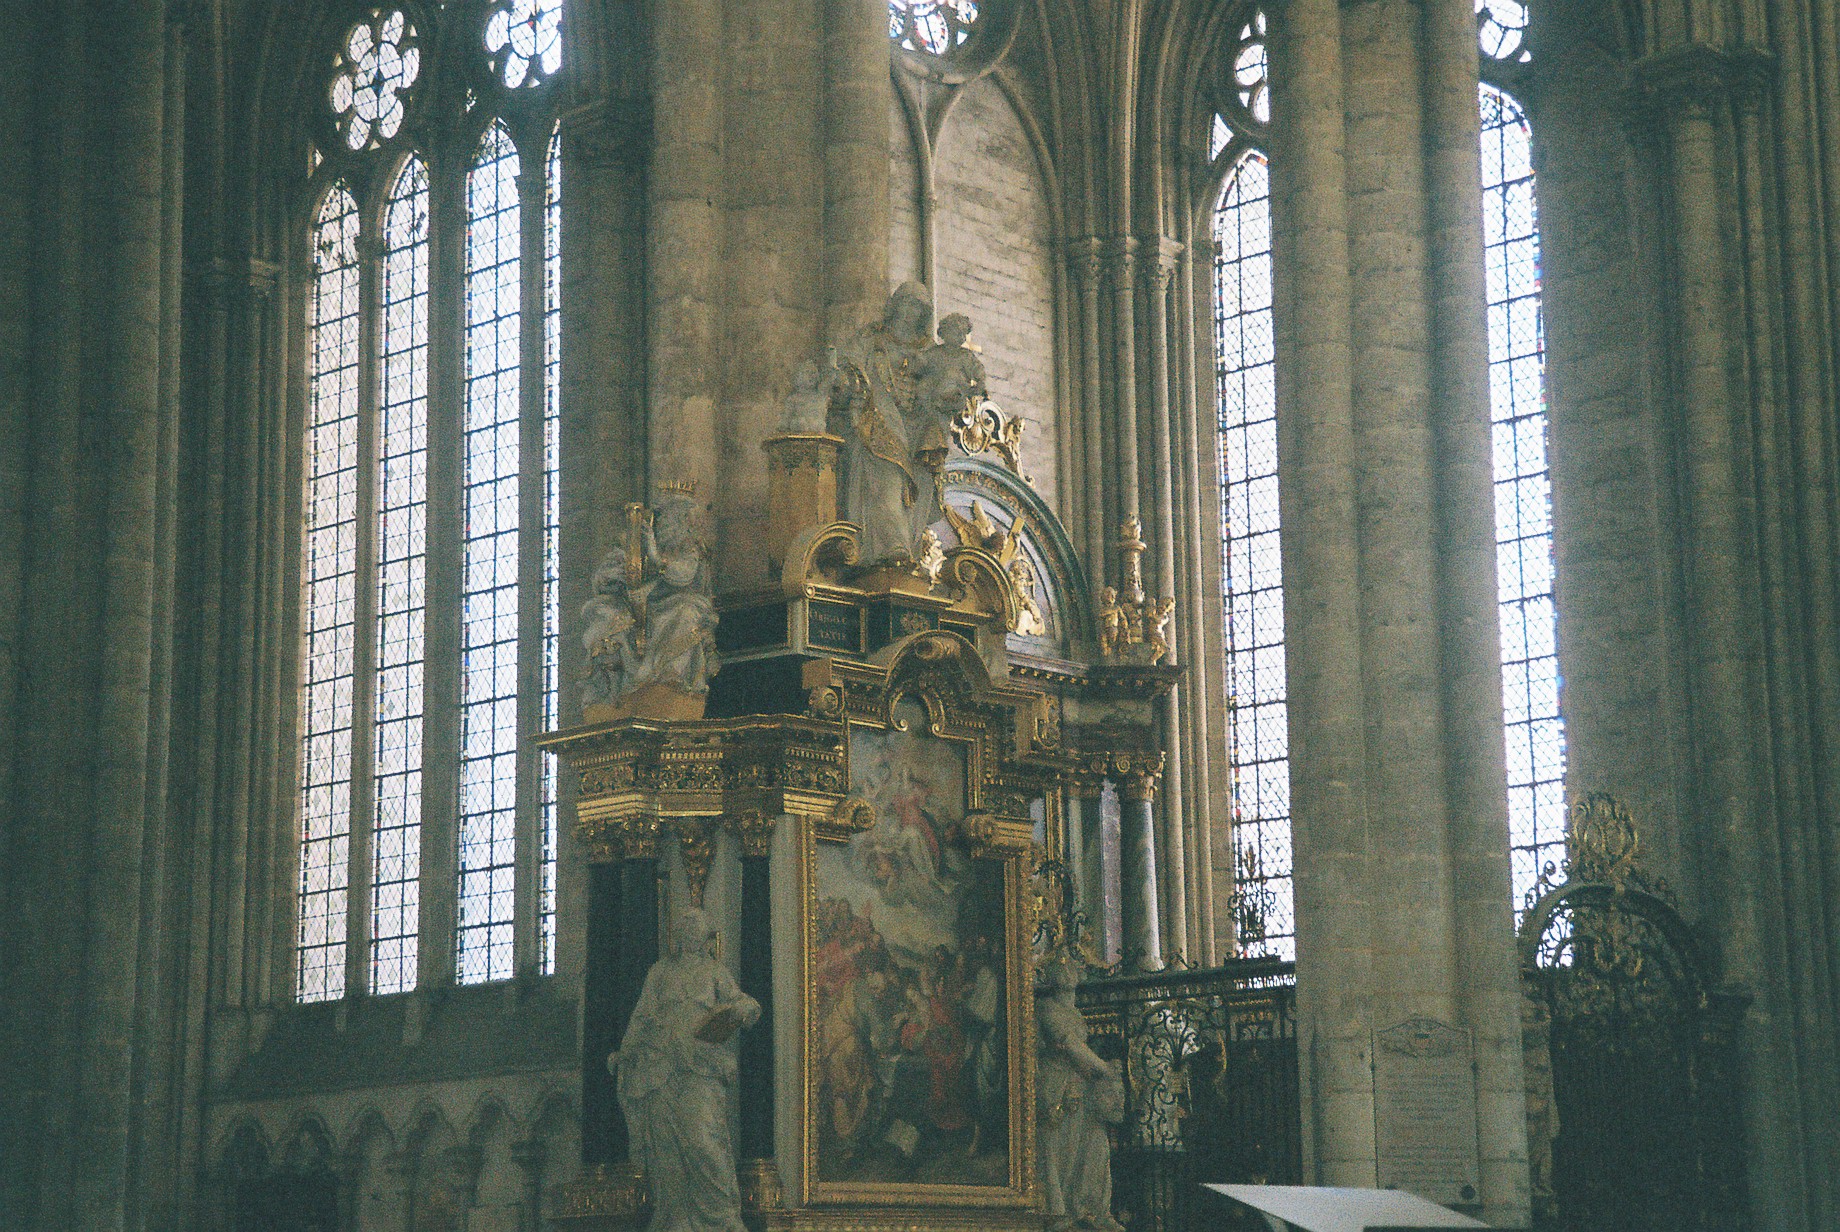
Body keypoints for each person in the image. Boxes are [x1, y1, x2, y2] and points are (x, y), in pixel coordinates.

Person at [614, 906, 761, 1232]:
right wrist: (625, 1054)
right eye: (684, 927)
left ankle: (722, 1220)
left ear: (705, 935)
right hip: (662, 1070)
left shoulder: (715, 972)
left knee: (703, 1143)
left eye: (696, 927)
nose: (690, 932)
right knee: (666, 1153)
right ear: (677, 935)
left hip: (700, 1070)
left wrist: (742, 1009)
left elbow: (744, 1003)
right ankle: (675, 1221)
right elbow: (641, 1018)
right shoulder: (659, 973)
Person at [1037, 950, 1124, 1231]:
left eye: (1070, 964)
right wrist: (1103, 1068)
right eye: (1060, 964)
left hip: (1078, 1084)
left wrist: (1099, 1071)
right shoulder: (1048, 1008)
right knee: (1057, 1148)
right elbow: (1071, 1045)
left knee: (1088, 1146)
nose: (1068, 969)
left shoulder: (1072, 1011)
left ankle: (1088, 1207)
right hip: (1055, 1084)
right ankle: (1056, 1211)